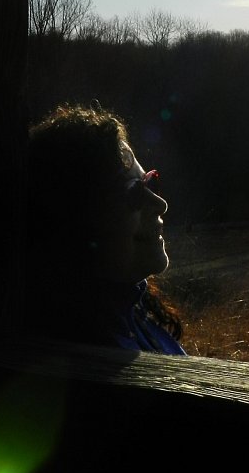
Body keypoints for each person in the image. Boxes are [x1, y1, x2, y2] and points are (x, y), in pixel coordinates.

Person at [26, 102, 186, 353]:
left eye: (149, 183)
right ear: (76, 224)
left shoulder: (137, 316)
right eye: (133, 194)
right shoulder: (88, 355)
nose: (161, 205)